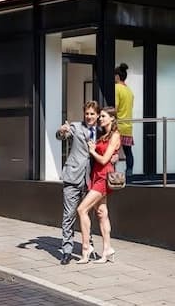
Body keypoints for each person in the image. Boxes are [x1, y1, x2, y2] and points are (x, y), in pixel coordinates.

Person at [75, 106, 122, 264]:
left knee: (82, 209)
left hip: (103, 176)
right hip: (96, 175)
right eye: (100, 116)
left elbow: (104, 159)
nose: (100, 119)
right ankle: (107, 249)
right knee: (102, 213)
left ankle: (86, 248)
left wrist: (92, 151)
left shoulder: (114, 135)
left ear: (112, 118)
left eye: (103, 116)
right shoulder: (104, 134)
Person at [55, 101, 100, 263]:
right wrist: (61, 131)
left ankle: (88, 246)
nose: (89, 117)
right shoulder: (75, 127)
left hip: (91, 179)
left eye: (92, 114)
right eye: (87, 113)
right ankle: (66, 250)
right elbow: (62, 135)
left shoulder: (101, 131)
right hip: (73, 176)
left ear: (97, 115)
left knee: (88, 214)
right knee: (69, 215)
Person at [113, 64, 134, 180]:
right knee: (128, 152)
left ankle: (112, 176)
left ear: (117, 76)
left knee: (113, 151)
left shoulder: (117, 88)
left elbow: (115, 108)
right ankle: (129, 175)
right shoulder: (129, 90)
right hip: (128, 126)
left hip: (118, 126)